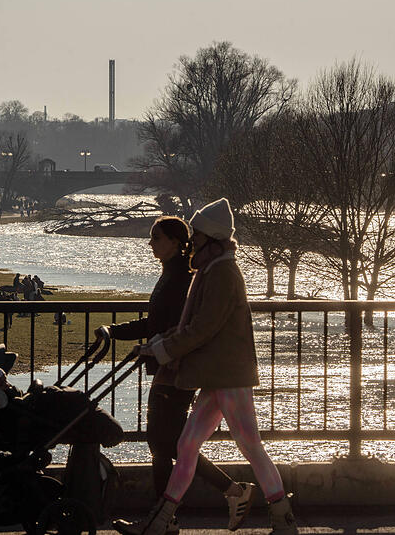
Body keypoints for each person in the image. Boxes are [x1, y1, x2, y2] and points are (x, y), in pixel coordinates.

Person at [113, 199, 298, 535]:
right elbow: (193, 325)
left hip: (229, 377)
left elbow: (201, 328)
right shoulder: (211, 270)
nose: (192, 241)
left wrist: (162, 348)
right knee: (187, 445)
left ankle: (282, 517)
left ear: (211, 238)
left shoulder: (222, 273)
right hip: (218, 376)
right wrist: (158, 344)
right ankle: (161, 521)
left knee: (250, 446)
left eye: (196, 236)